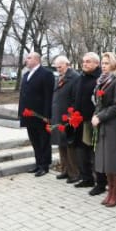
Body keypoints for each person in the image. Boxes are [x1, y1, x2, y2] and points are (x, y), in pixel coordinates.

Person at [92, 52, 116, 207]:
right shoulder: (101, 81)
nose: (103, 66)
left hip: (114, 125)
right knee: (105, 159)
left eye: (106, 63)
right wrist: (95, 115)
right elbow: (99, 103)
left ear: (113, 64)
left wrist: (100, 116)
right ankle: (110, 191)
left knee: (114, 159)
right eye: (102, 63)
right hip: (103, 124)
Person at [73, 52, 106, 194]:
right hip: (79, 120)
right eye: (83, 61)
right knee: (81, 150)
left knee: (93, 152)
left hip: (92, 121)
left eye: (88, 61)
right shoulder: (81, 78)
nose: (84, 64)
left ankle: (100, 182)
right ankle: (86, 178)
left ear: (96, 64)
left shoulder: (99, 79)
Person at [18, 52, 55, 177]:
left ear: (37, 60)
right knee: (34, 140)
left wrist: (47, 115)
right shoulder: (26, 75)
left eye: (29, 58)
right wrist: (21, 112)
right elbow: (23, 96)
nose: (26, 60)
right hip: (28, 115)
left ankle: (44, 166)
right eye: (26, 58)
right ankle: (38, 163)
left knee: (43, 140)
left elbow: (48, 96)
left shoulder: (46, 74)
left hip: (40, 115)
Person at [51, 55, 80, 183]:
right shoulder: (59, 77)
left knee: (69, 146)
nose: (58, 69)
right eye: (56, 67)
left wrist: (70, 116)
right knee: (61, 144)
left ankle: (74, 173)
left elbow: (75, 99)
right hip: (58, 116)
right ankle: (65, 170)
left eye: (60, 66)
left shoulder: (74, 77)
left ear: (67, 64)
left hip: (67, 117)